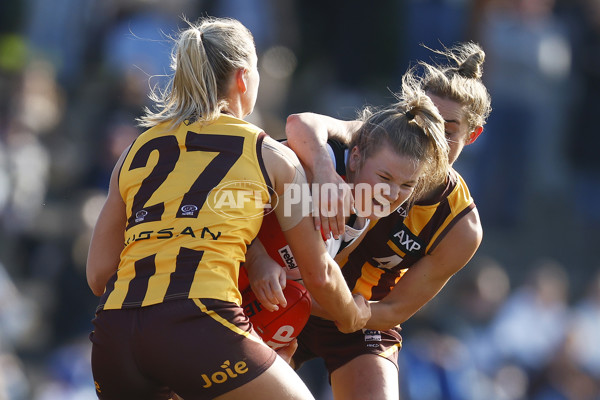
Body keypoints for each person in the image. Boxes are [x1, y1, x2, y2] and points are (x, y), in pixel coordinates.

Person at [85, 16, 371, 400]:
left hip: (113, 341)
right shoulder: (270, 154)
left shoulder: (135, 151)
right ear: (242, 78)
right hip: (198, 323)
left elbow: (100, 273)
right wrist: (354, 316)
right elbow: (318, 273)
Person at [254, 42, 492, 399]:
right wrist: (323, 170)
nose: (432, 138)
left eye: (449, 130)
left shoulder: (460, 227)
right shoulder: (378, 137)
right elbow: (300, 125)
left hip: (359, 316)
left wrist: (349, 312)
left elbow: (396, 308)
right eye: (427, 120)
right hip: (284, 291)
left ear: (472, 136)